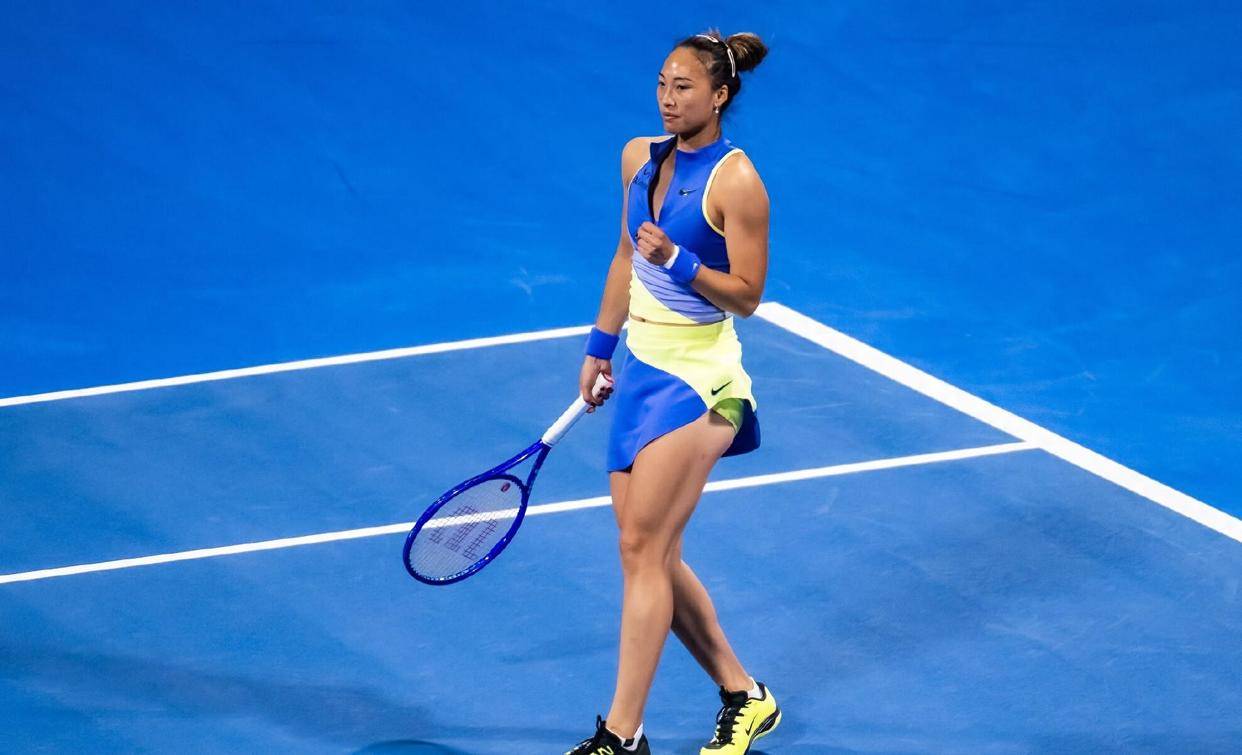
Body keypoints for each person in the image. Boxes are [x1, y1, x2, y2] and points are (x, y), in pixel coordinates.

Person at [567, 28, 777, 755]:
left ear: (719, 96)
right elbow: (627, 255)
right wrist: (600, 348)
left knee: (641, 545)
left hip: (702, 382)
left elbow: (747, 295)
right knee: (648, 553)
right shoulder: (639, 157)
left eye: (684, 87)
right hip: (643, 369)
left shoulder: (736, 182)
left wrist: (682, 261)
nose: (667, 98)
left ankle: (621, 736)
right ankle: (744, 694)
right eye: (662, 83)